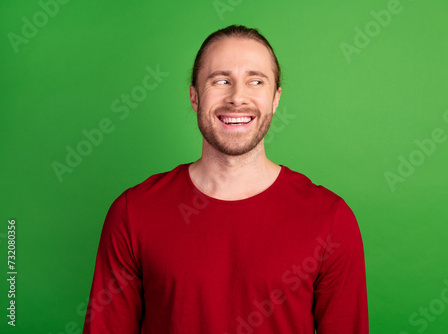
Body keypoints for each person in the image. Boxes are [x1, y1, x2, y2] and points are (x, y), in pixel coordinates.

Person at [83, 24, 368, 333]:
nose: (237, 97)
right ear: (194, 97)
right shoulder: (133, 212)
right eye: (221, 80)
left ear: (275, 98)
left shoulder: (330, 219)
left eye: (255, 81)